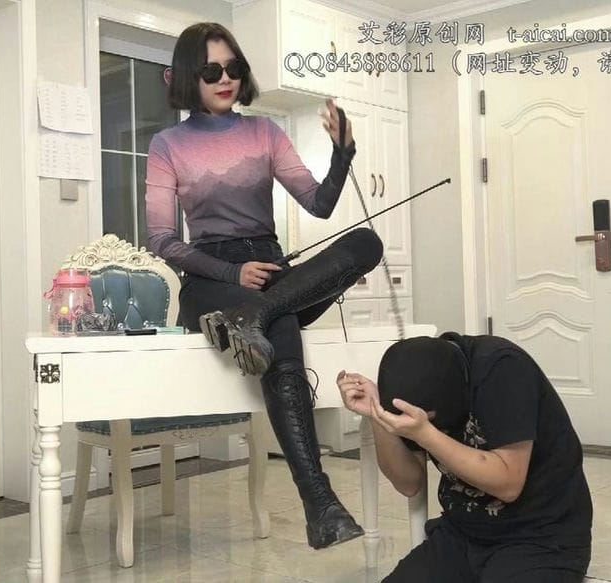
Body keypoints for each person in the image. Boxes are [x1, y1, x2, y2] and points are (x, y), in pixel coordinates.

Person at [144, 22, 383, 549]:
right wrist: (233, 274)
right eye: (211, 70)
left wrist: (342, 152)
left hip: (272, 272)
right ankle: (321, 505)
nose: (225, 78)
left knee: (366, 243)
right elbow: (161, 239)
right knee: (283, 327)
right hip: (212, 280)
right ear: (189, 76)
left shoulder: (265, 133)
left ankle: (257, 314)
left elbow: (319, 204)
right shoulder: (167, 145)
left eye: (233, 67)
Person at [336, 333, 593, 582]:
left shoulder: (503, 369)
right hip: (462, 533)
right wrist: (377, 415)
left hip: (541, 537)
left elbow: (509, 484)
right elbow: (409, 483)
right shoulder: (415, 380)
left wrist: (425, 434)